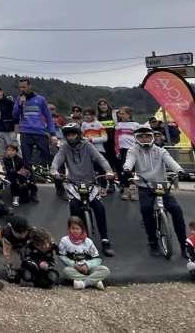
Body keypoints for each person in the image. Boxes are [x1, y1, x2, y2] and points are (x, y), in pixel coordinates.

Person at [121, 125, 187, 257]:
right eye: (141, 136)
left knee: (176, 210)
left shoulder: (160, 150)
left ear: (152, 137)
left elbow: (171, 162)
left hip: (161, 185)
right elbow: (129, 161)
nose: (144, 138)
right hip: (145, 187)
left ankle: (184, 246)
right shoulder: (133, 150)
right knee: (146, 210)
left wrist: (179, 170)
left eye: (147, 136)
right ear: (136, 138)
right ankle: (153, 243)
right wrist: (127, 169)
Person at [50, 123, 116, 256]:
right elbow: (57, 160)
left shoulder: (87, 145)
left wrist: (108, 170)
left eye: (73, 134)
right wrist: (54, 170)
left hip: (90, 183)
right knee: (74, 207)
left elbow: (100, 159)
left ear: (78, 134)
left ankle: (105, 240)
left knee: (99, 207)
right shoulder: (64, 147)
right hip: (73, 183)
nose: (70, 137)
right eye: (68, 135)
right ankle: (78, 239)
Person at [57, 216, 111, 290]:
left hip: (88, 269)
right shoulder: (64, 241)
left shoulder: (88, 241)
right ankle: (95, 282)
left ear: (82, 229)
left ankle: (83, 283)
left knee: (105, 270)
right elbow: (62, 256)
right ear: (69, 229)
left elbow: (97, 259)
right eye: (73, 228)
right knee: (66, 271)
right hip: (74, 268)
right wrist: (73, 264)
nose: (75, 231)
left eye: (77, 229)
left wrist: (87, 265)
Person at [12, 78, 55, 167]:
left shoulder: (40, 99)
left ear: (29, 86)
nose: (22, 89)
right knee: (27, 158)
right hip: (25, 132)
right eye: (20, 87)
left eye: (24, 87)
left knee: (45, 155)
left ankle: (45, 174)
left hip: (39, 131)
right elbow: (15, 115)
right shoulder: (19, 99)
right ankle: (30, 177)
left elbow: (49, 117)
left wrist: (53, 133)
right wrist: (20, 104)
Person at [114, 107, 140, 200]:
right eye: (120, 114)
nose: (120, 115)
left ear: (129, 114)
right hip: (123, 150)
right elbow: (116, 139)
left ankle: (133, 189)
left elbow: (138, 138)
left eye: (122, 113)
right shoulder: (118, 125)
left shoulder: (135, 125)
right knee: (124, 169)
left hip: (133, 150)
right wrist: (117, 151)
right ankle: (126, 188)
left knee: (132, 170)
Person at [1, 214, 31, 282]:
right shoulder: (7, 234)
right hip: (11, 244)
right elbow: (6, 253)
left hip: (23, 244)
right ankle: (10, 270)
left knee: (26, 254)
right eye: (19, 233)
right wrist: (9, 263)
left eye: (24, 233)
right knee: (14, 260)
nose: (22, 235)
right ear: (12, 229)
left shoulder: (30, 231)